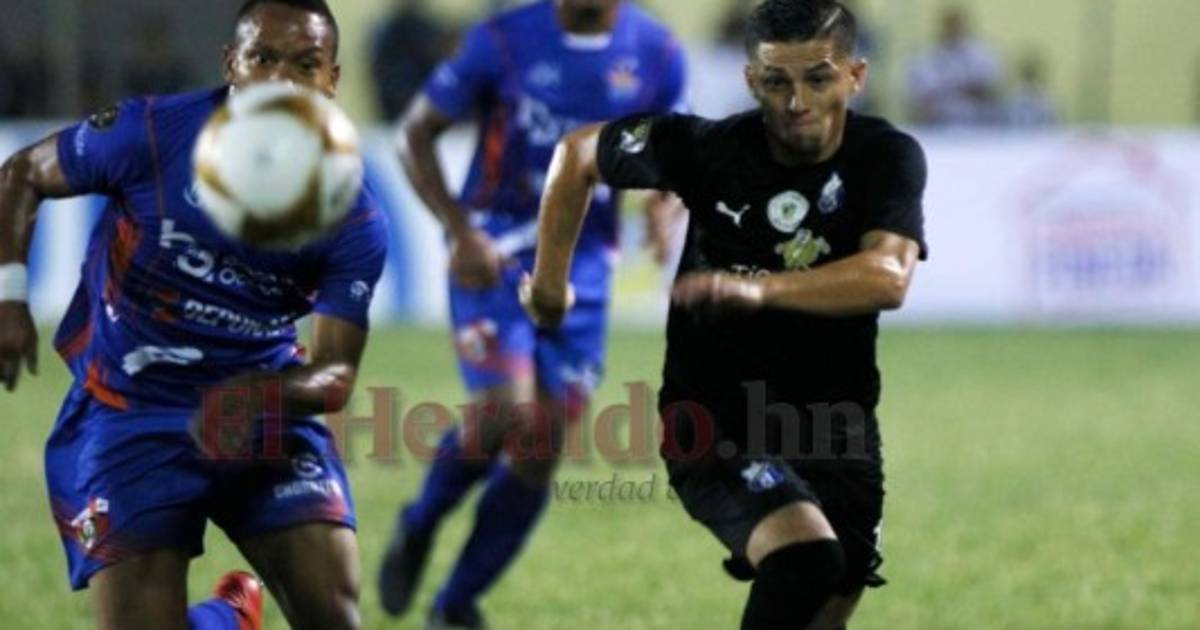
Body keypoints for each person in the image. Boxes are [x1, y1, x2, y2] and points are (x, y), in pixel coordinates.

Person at [522, 1, 927, 628]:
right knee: (805, 559)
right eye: (776, 81)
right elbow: (577, 155)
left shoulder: (886, 157)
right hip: (713, 418)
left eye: (818, 78)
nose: (797, 101)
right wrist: (550, 287)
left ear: (855, 75)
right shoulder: (708, 149)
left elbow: (888, 277)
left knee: (824, 601)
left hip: (836, 424)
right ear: (751, 81)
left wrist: (760, 291)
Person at [0, 1, 388, 628]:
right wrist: (9, 296)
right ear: (231, 63)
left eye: (305, 64)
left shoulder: (352, 215)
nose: (281, 80)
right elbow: (21, 174)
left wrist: (258, 396)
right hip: (131, 410)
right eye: (263, 58)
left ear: (331, 80)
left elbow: (335, 375)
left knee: (334, 616)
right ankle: (229, 619)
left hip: (262, 409)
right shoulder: (151, 134)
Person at [379, 0, 686, 627]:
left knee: (541, 444)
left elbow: (672, 155)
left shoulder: (657, 53)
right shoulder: (503, 39)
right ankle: (422, 521)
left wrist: (664, 205)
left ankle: (456, 602)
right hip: (496, 252)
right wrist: (459, 230)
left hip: (585, 268)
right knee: (505, 410)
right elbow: (416, 132)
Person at [907, 4, 1002, 126]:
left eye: (957, 25)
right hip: (939, 123)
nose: (953, 30)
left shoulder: (982, 55)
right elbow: (921, 97)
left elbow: (990, 91)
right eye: (949, 25)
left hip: (977, 123)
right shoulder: (927, 58)